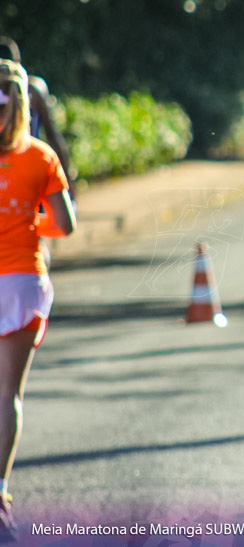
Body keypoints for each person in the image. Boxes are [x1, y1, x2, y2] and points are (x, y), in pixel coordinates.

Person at [0, 59, 77, 539]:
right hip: (24, 281)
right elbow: (64, 225)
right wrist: (32, 220)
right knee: (7, 394)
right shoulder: (41, 156)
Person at [0, 38, 76, 201]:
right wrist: (66, 177)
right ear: (18, 63)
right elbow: (52, 133)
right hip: (32, 167)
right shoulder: (34, 88)